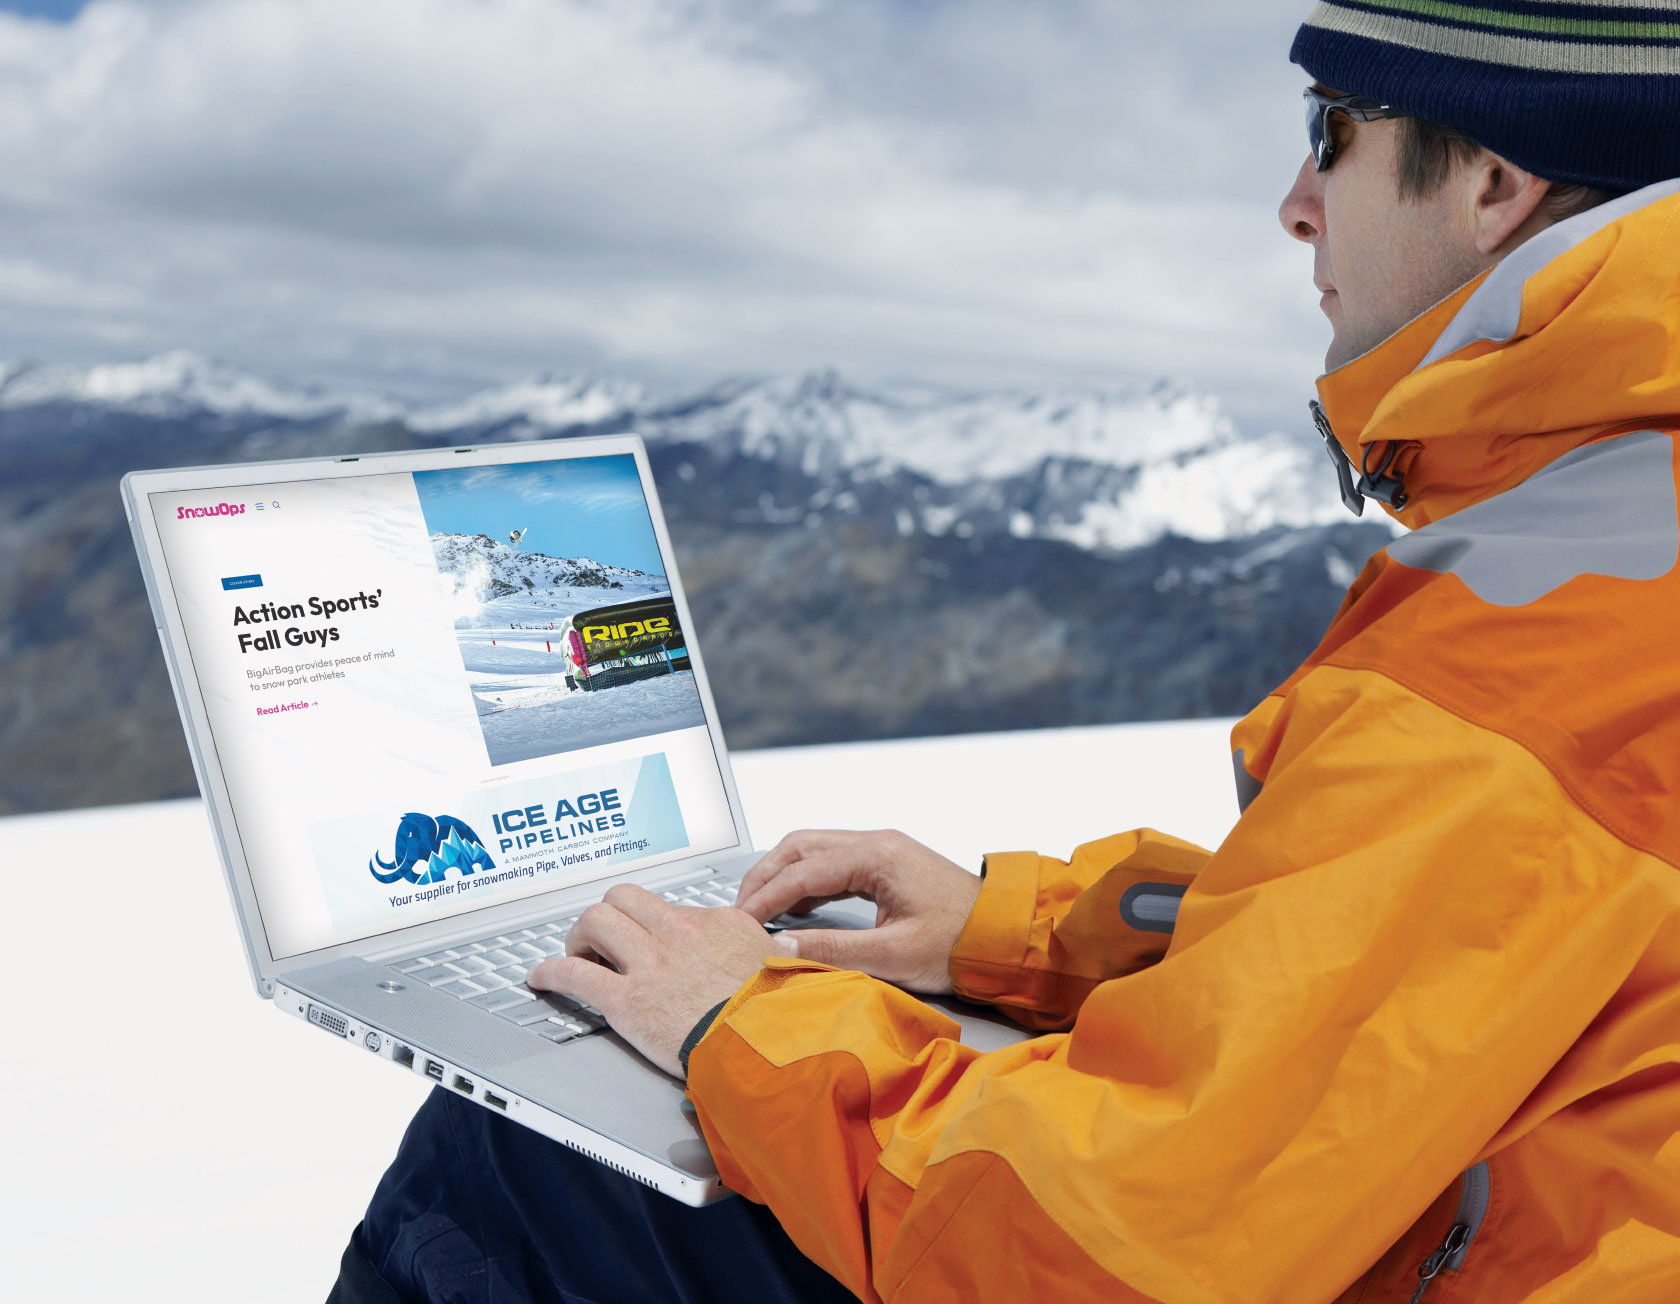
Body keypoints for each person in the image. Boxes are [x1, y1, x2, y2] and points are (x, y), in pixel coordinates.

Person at [334, 3, 1680, 1300]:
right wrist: (1018, 936)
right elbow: (1440, 959)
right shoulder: (1617, 539)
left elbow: (1100, 1254)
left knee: (515, 1163)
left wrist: (738, 1023)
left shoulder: (1535, 642)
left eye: (1334, 129)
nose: (1297, 200)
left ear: (1495, 180)